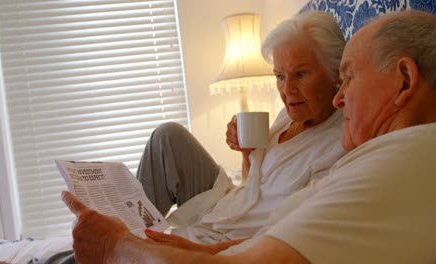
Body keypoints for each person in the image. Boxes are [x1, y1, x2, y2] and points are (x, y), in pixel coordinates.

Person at [62, 9, 436, 263]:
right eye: (280, 76)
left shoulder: (408, 158)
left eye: (349, 77)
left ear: (404, 80)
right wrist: (182, 247)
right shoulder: (384, 153)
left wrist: (116, 247)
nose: (341, 98)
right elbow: (268, 237)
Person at [134, 10, 345, 249]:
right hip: (227, 205)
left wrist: (204, 252)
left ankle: (119, 242)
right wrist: (247, 153)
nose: (287, 90)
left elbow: (291, 235)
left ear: (335, 72)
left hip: (231, 239)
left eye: (300, 74)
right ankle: (122, 233)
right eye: (280, 76)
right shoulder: (288, 115)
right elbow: (254, 180)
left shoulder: (339, 145)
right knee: (167, 137)